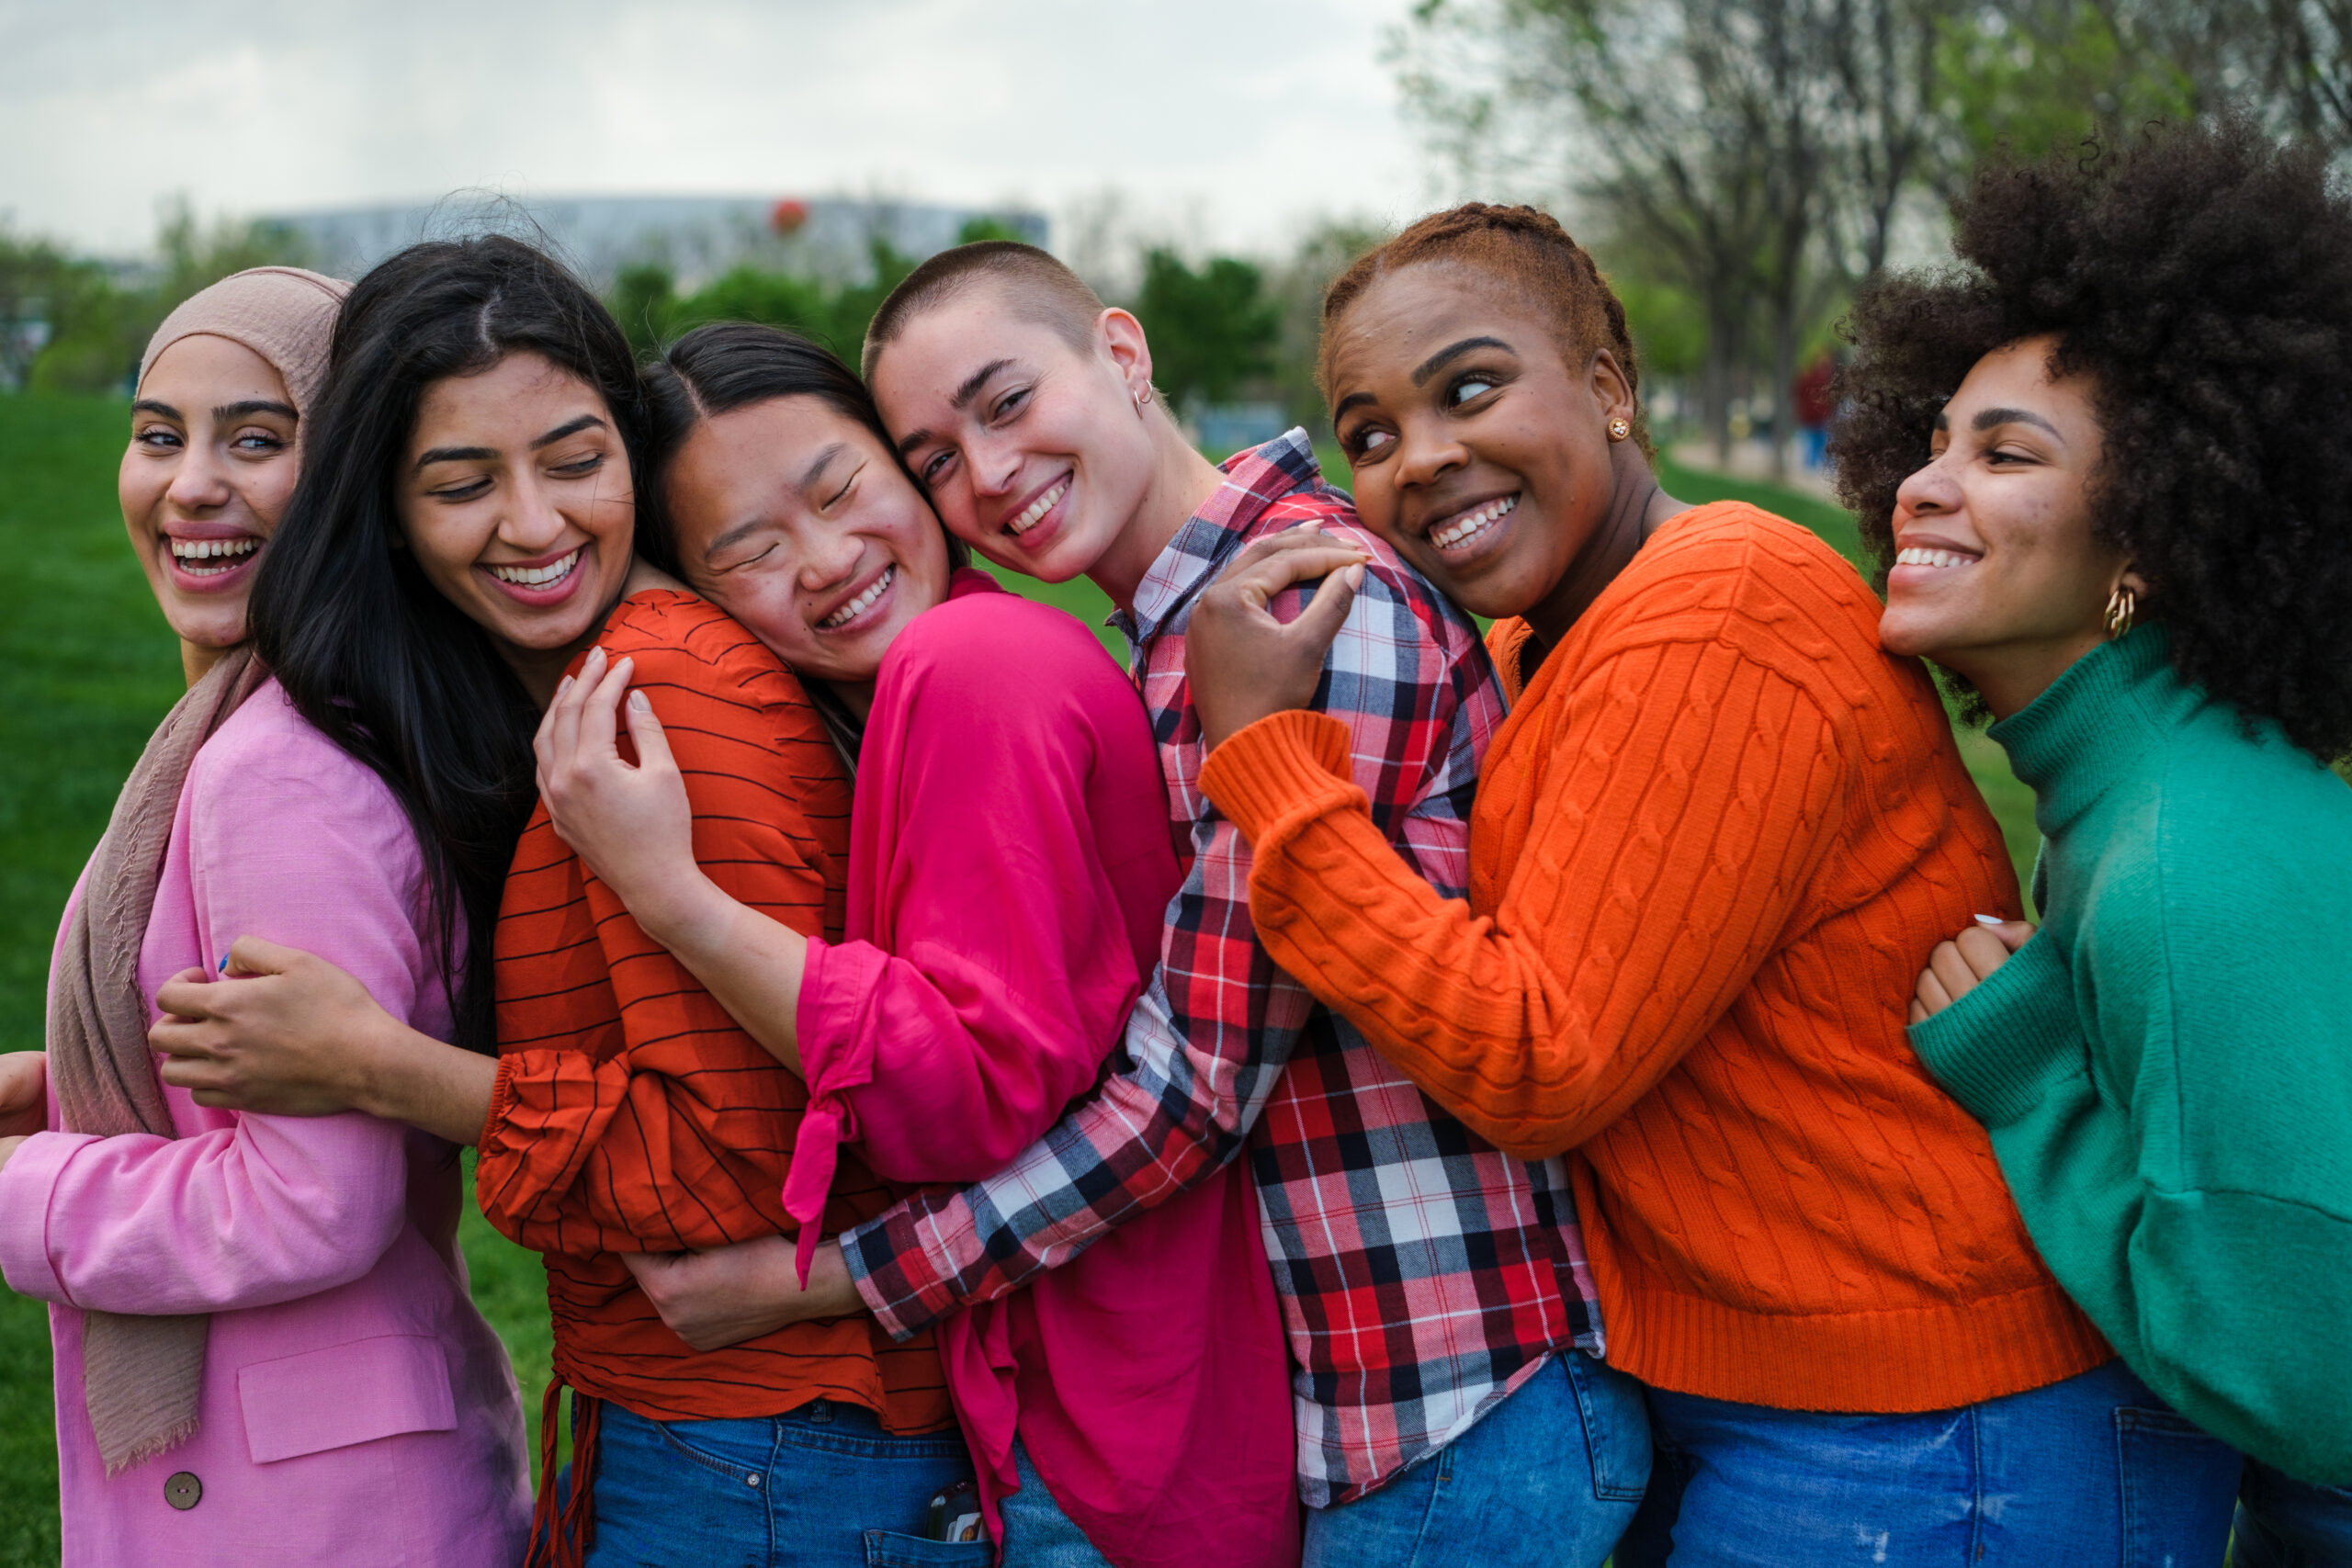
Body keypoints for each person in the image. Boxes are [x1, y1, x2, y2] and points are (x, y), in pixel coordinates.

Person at [1177, 203, 2241, 1565]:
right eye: (1369, 433)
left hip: (1938, 1422)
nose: (1424, 458)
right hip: (1821, 1403)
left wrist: (1274, 772)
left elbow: (1539, 1057)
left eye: (1471, 388)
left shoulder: (1718, 608)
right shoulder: (1546, 637)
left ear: (1612, 390)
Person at [627, 242, 1652, 1568]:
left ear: (1121, 354)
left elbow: (1192, 1094)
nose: (986, 474)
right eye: (934, 455)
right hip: (1371, 1414)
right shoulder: (1167, 656)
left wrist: (831, 1279)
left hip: (1463, 1396)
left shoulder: (1312, 604)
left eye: (1006, 405)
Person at [528, 319, 1295, 1568]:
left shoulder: (972, 659)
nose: (826, 561)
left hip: (1104, 1445)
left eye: (840, 491)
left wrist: (669, 893)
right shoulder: (930, 684)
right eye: (751, 553)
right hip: (1106, 1413)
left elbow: (960, 1097)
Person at [1841, 120, 2352, 1563]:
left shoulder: (2185, 862)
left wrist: (2032, 1082)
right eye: (1933, 441)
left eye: (2007, 455)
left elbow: (2302, 1373)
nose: (1924, 487)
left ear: (2149, 541)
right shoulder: (2152, 799)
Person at [0, 265, 534, 1567]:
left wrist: (24, 1190)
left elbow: (311, 1202)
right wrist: (72, 1094)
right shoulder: (276, 726)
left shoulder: (276, 771)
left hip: (309, 1509)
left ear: (350, 472)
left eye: (257, 437)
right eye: (156, 434)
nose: (188, 486)